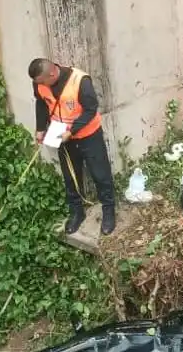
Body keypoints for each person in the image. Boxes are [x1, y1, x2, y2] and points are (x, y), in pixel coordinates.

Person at [29, 58, 117, 236]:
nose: (39, 85)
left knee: (100, 174)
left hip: (88, 135)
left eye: (41, 81)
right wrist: (40, 128)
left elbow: (91, 109)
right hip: (61, 135)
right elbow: (41, 102)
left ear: (52, 73)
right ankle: (77, 212)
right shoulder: (39, 84)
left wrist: (73, 130)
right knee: (70, 177)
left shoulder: (80, 81)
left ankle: (109, 211)